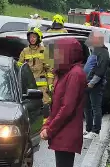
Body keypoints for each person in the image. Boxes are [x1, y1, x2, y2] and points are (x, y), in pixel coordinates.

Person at [40, 37, 87, 167]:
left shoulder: (75, 74)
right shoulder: (64, 73)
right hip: (61, 131)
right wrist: (47, 125)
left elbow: (67, 107)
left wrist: (50, 130)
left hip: (67, 132)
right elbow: (56, 105)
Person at [18, 24, 53, 122]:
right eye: (30, 37)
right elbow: (19, 68)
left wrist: (50, 84)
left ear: (38, 38)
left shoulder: (45, 51)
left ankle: (45, 126)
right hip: (28, 87)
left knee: (45, 105)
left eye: (34, 37)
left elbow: (50, 70)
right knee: (30, 107)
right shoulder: (24, 51)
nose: (32, 39)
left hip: (42, 87)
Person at [83, 30, 110, 139]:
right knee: (86, 107)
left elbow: (101, 70)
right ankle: (88, 129)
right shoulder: (94, 51)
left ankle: (95, 131)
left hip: (95, 85)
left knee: (95, 107)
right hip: (87, 84)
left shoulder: (103, 52)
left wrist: (92, 83)